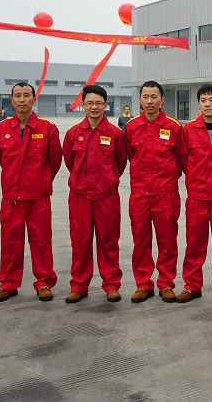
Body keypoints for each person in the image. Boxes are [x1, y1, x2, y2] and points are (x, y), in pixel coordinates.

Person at [0, 82, 63, 302]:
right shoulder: (2, 128)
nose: (22, 100)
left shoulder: (47, 128)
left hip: (38, 198)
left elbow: (55, 160)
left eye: (26, 95)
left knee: (41, 242)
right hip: (11, 198)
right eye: (17, 96)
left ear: (34, 99)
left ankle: (44, 282)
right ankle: (8, 283)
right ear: (12, 101)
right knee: (10, 243)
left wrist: (41, 181)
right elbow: (1, 158)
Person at [62, 85, 127, 304]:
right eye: (89, 103)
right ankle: (79, 285)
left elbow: (120, 162)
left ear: (106, 105)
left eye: (99, 103)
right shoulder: (73, 133)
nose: (94, 107)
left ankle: (111, 285)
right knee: (79, 242)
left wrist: (108, 179)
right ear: (83, 105)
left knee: (109, 241)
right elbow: (69, 161)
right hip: (80, 196)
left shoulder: (115, 134)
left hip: (106, 196)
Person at [125, 81, 183, 304]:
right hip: (140, 193)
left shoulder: (174, 127)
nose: (149, 101)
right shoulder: (131, 127)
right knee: (140, 240)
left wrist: (166, 181)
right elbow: (129, 156)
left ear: (162, 100)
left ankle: (166, 283)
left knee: (167, 240)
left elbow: (181, 160)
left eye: (154, 97)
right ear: (140, 99)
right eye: (145, 97)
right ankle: (143, 284)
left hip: (166, 193)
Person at [176, 84, 212, 303]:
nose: (207, 104)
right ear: (198, 104)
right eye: (203, 100)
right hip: (197, 197)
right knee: (194, 242)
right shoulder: (188, 130)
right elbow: (183, 160)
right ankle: (192, 285)